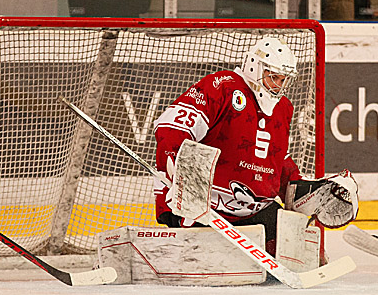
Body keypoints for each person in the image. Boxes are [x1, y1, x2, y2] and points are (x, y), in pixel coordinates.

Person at [153, 36, 358, 255]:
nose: (278, 86)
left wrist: (311, 191)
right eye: (274, 77)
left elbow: (278, 161)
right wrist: (179, 178)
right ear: (255, 67)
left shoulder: (283, 108)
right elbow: (170, 129)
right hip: (202, 208)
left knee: (297, 245)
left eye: (283, 80)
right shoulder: (223, 86)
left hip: (252, 213)